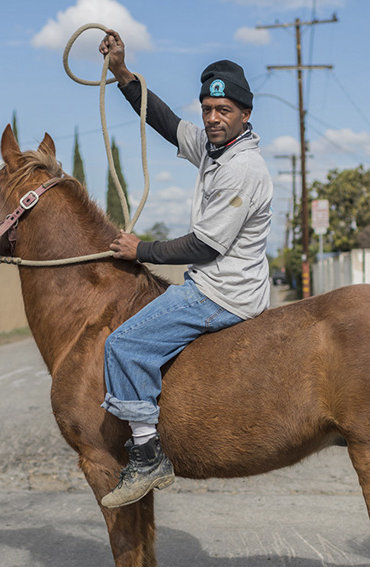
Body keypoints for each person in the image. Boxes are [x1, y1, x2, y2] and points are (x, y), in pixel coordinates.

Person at [97, 30, 274, 508]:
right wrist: (121, 73)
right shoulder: (216, 150)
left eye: (224, 111)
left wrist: (142, 250)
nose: (213, 119)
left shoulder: (243, 169)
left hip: (222, 291)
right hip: (219, 282)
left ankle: (148, 451)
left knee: (124, 344)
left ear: (245, 114)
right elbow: (164, 121)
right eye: (208, 110)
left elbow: (205, 244)